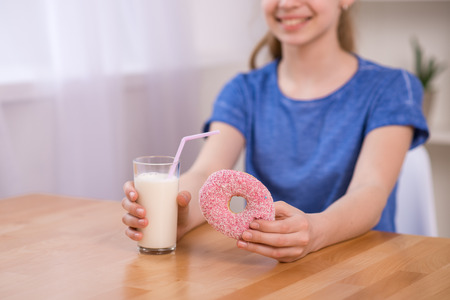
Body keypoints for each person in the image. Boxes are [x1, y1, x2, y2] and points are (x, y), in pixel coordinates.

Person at [122, 0, 428, 263]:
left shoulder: (391, 88)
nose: (286, 2)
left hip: (358, 268)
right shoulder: (243, 90)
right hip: (266, 268)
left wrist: (315, 231)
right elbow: (207, 174)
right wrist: (177, 208)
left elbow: (370, 190)